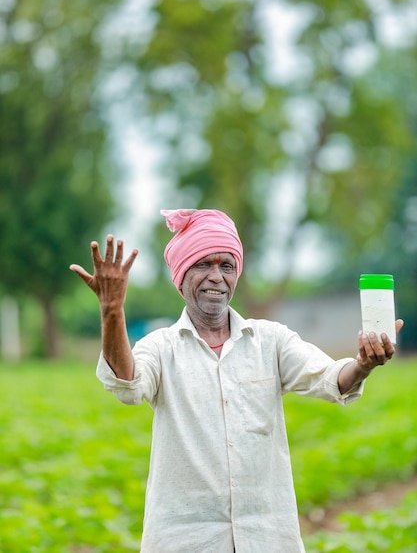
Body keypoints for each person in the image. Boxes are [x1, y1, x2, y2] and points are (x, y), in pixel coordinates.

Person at [70, 209, 402, 553]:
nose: (216, 277)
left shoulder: (270, 340)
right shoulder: (161, 347)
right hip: (184, 541)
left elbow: (332, 379)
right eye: (203, 265)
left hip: (268, 539)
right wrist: (112, 311)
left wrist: (363, 364)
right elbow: (128, 385)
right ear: (181, 276)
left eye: (226, 266)